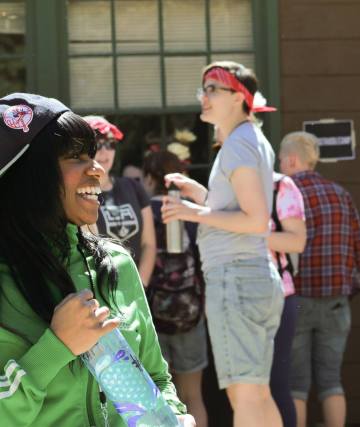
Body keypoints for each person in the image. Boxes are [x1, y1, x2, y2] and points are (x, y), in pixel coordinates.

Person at [0, 93, 195, 426]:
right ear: (27, 175)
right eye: (76, 157)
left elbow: (156, 377)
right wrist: (56, 348)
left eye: (94, 155)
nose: (98, 171)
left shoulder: (117, 262)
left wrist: (174, 416)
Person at [161, 61, 284, 427]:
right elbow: (237, 208)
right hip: (253, 276)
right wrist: (198, 195)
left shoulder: (238, 146)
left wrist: (190, 212)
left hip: (236, 280)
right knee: (258, 394)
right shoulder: (247, 141)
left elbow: (255, 220)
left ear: (239, 98)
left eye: (213, 88)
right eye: (204, 88)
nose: (204, 96)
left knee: (244, 396)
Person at [278, 131, 360, 427]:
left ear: (291, 159)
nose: (279, 166)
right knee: (331, 380)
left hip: (296, 301)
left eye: (281, 160)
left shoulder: (285, 194)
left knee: (296, 385)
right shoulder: (341, 194)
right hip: (336, 303)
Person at [142, 150, 208, 426]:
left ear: (148, 179)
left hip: (153, 316)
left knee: (158, 397)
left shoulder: (144, 211)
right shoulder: (191, 213)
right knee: (193, 395)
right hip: (190, 312)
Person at [84, 115, 156, 287]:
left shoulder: (133, 187)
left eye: (111, 144)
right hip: (98, 287)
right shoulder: (79, 194)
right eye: (98, 143)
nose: (105, 151)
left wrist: (140, 285)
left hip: (135, 288)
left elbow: (149, 244)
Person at [268, 171, 307, 427]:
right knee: (247, 389)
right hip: (234, 297)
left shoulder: (279, 185)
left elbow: (297, 241)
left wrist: (242, 231)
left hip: (280, 295)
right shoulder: (222, 185)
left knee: (277, 384)